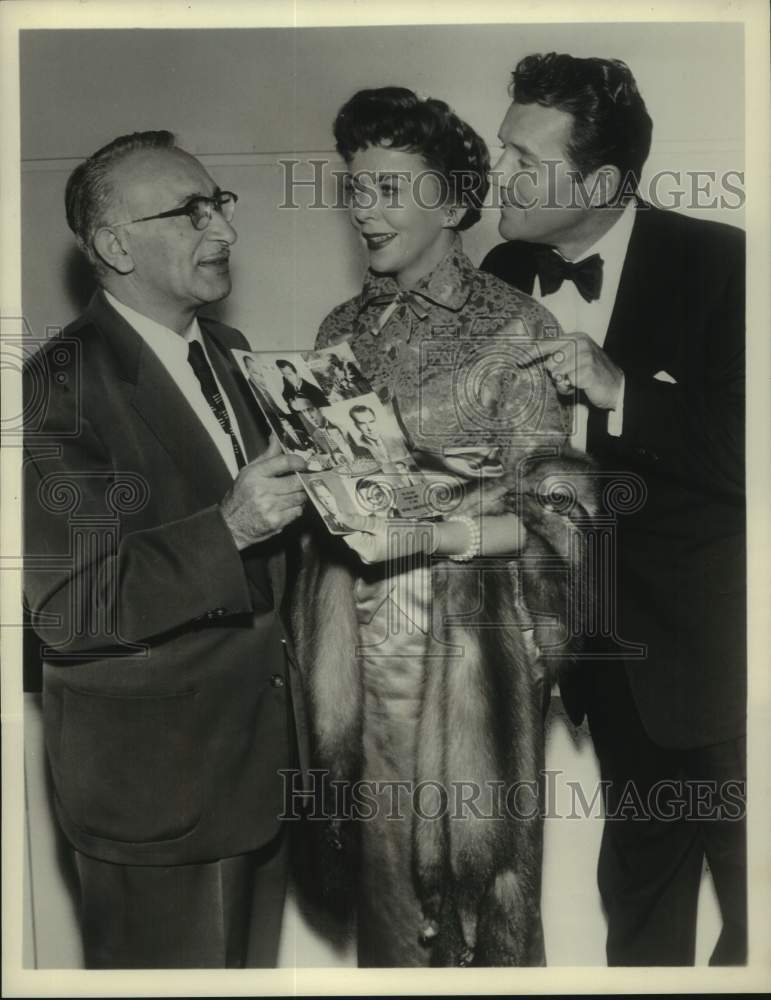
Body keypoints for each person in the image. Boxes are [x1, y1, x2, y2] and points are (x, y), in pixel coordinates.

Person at [288, 87, 597, 967]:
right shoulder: (338, 328)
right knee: (384, 909)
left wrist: (439, 534)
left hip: (466, 665)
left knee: (475, 910)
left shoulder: (515, 330)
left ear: (456, 202)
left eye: (387, 188)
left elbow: (557, 528)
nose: (362, 209)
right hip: (349, 657)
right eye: (354, 188)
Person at [481, 53, 746, 966]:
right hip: (602, 661)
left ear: (597, 182)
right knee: (639, 926)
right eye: (499, 150)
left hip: (725, 668)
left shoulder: (724, 264)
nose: (497, 175)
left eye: (521, 159)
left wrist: (623, 389)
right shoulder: (503, 268)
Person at [23, 130, 308, 969]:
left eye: (219, 204)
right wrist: (230, 527)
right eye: (190, 212)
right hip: (158, 793)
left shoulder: (233, 354)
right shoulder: (55, 388)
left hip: (259, 774)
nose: (221, 229)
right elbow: (68, 609)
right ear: (113, 245)